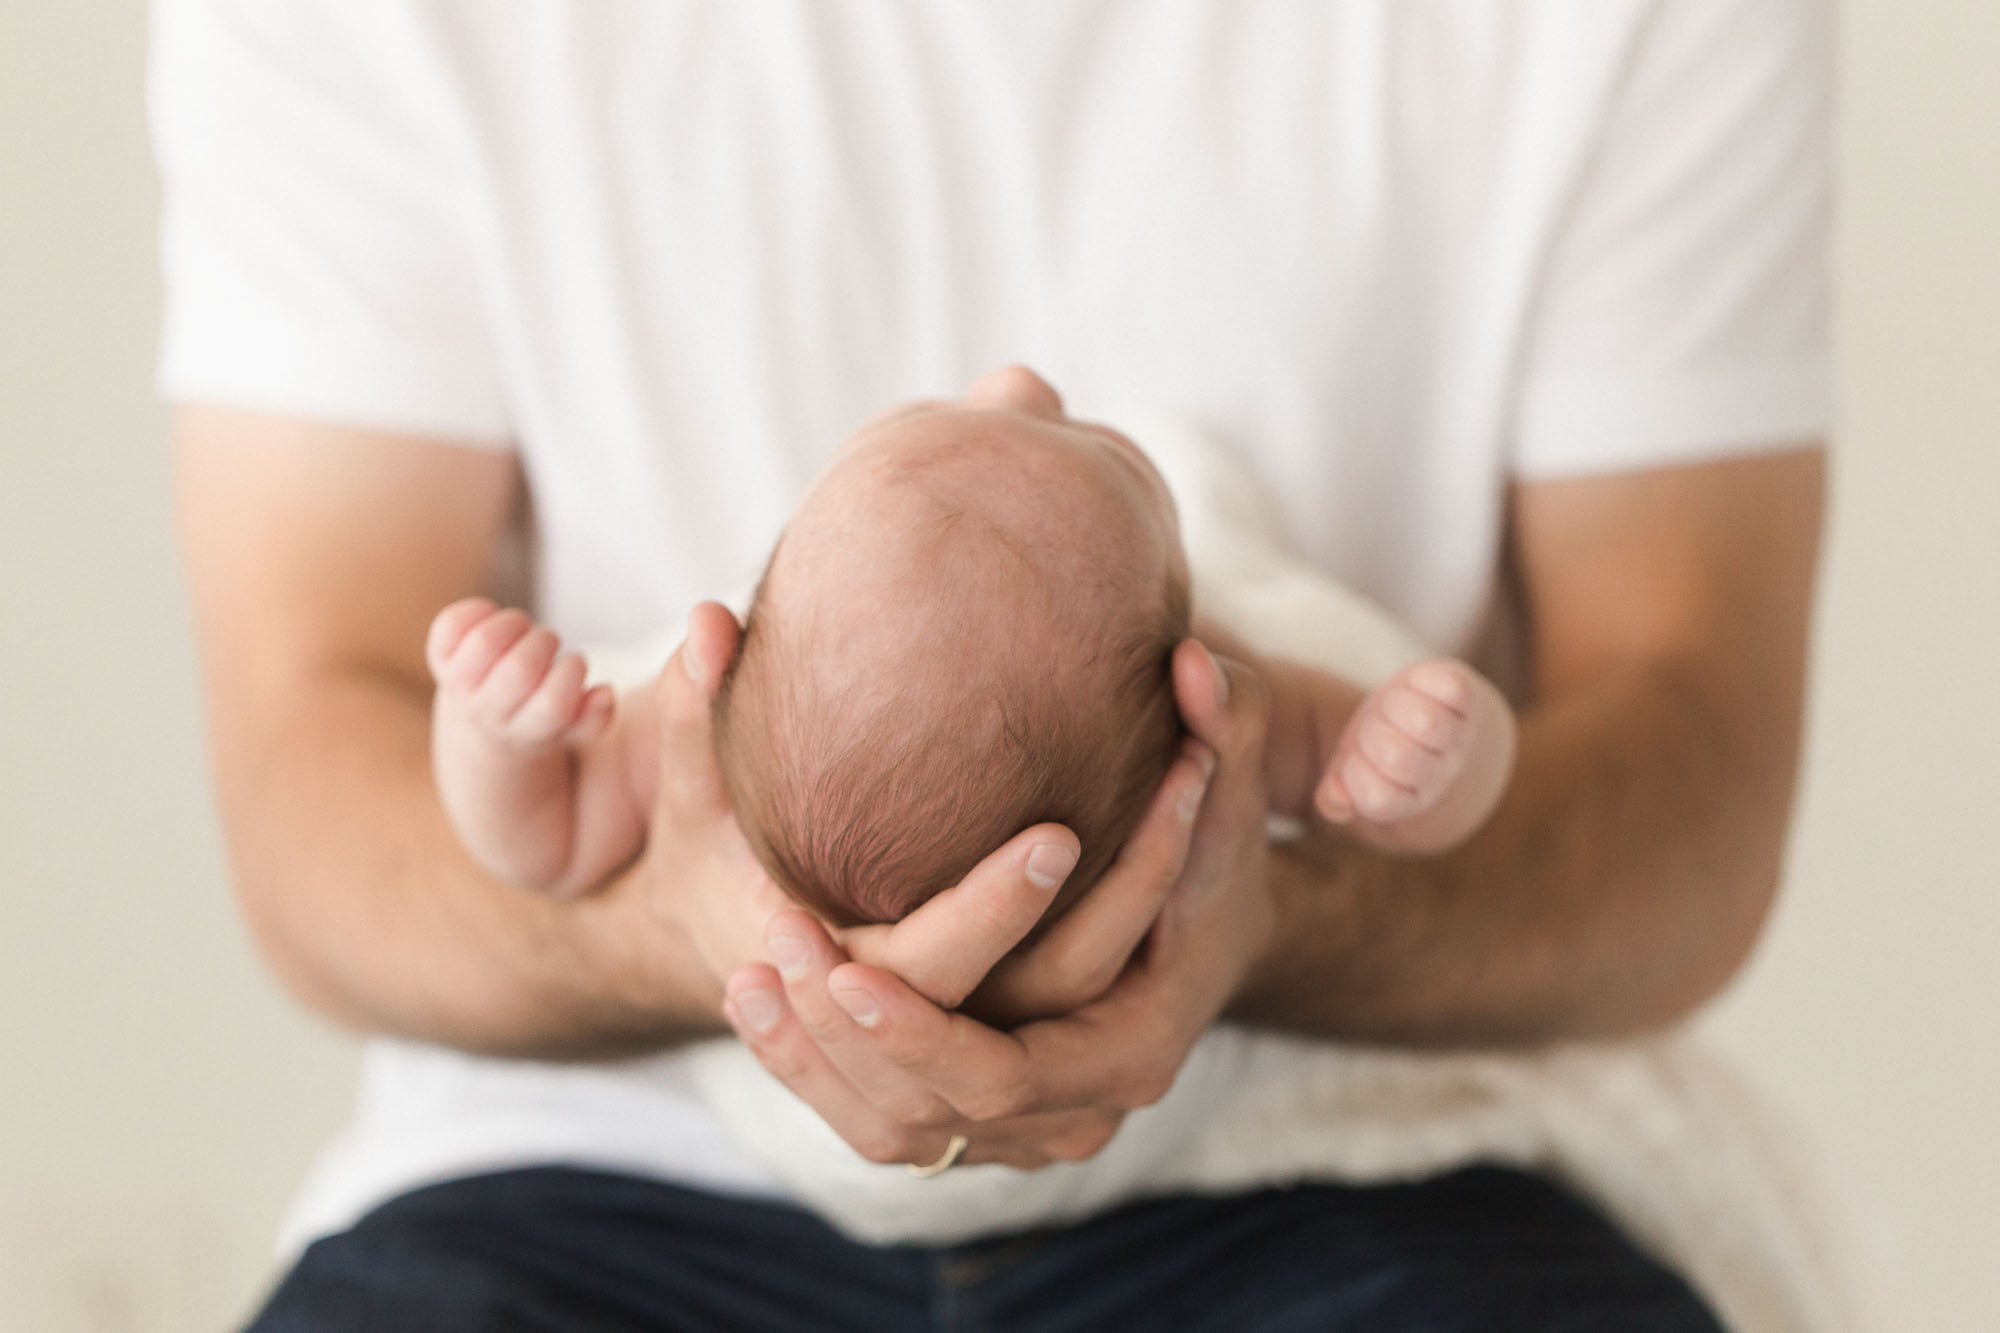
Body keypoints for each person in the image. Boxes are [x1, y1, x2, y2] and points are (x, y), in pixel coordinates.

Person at [156, 1, 1830, 1327]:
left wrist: (1269, 913)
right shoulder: (699, 687)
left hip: (1349, 1149)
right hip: (585, 1168)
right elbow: (327, 787)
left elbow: (1685, 778)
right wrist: (668, 914)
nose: (1024, 377)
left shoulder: (1235, 672)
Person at [425, 377, 1515, 930]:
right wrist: (1418, 757)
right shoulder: (718, 719)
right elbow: (1393, 816)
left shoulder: (1214, 693)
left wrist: (494, 738)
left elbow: (551, 834)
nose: (1017, 377)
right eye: (1083, 442)